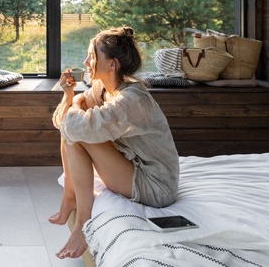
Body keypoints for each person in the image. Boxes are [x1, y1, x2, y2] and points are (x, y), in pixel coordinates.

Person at [49, 26, 180, 259]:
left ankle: (82, 223)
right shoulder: (102, 89)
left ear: (113, 64)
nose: (86, 61)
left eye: (93, 55)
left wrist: (78, 103)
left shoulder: (132, 100)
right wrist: (70, 96)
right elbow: (64, 124)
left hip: (156, 185)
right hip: (133, 166)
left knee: (77, 132)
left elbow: (72, 126)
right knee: (75, 131)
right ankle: (70, 196)